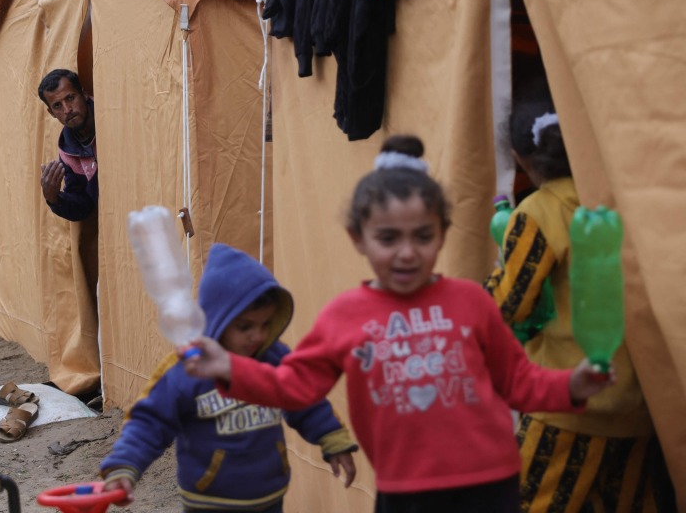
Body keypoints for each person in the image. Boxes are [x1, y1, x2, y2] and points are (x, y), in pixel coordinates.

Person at [182, 135, 614, 513]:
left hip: (491, 484)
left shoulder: (472, 302)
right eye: (388, 238)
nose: (407, 252)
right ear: (358, 237)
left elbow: (518, 381)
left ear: (442, 233)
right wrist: (230, 369)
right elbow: (294, 386)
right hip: (406, 492)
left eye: (422, 236)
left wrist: (570, 386)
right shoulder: (343, 315)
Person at [486, 97, 670, 512]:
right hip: (635, 409)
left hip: (564, 407)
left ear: (518, 157)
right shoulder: (623, 202)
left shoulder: (539, 211)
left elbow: (510, 304)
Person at [99, 242, 358, 512]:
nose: (257, 336)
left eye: (266, 324)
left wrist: (333, 439)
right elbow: (149, 422)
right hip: (209, 501)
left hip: (270, 496)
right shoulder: (187, 369)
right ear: (217, 320)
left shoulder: (274, 357)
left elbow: (304, 399)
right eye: (245, 326)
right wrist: (124, 467)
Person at [38, 68, 97, 222]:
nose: (67, 109)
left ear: (83, 93)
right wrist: (55, 200)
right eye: (57, 106)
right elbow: (84, 206)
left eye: (70, 98)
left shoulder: (110, 116)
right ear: (51, 113)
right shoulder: (68, 153)